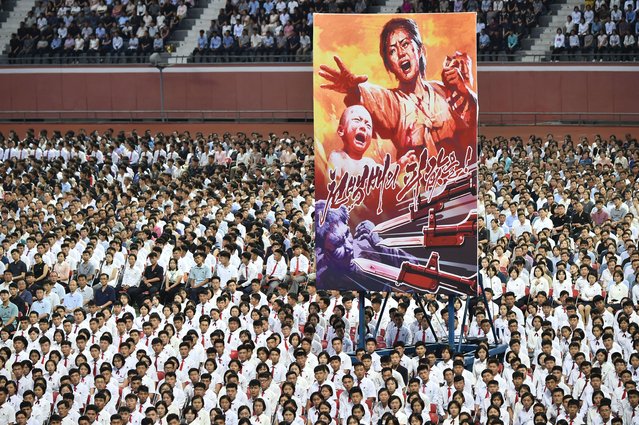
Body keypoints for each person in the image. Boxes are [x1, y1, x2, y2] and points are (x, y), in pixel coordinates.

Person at [319, 17, 477, 163]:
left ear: (420, 50)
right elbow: (370, 97)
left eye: (405, 44)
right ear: (389, 65)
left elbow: (471, 126)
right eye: (392, 51)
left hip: (456, 181)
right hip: (417, 187)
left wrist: (465, 91)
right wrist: (352, 89)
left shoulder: (442, 91)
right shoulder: (391, 101)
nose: (401, 53)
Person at [328, 105, 378, 179]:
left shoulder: (370, 163)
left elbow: (387, 173)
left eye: (368, 126)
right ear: (341, 130)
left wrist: (400, 163)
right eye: (357, 120)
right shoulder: (337, 157)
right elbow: (330, 184)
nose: (363, 127)